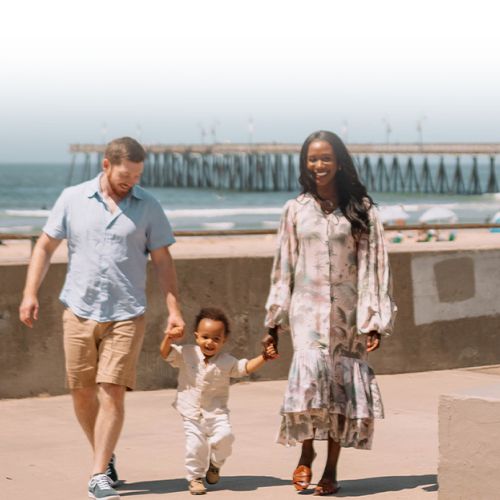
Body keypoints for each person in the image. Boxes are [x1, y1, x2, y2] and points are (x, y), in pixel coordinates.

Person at [19, 137, 185, 500]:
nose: (131, 183)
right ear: (106, 165)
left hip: (127, 313)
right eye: (125, 175)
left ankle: (98, 474)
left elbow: (163, 262)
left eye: (138, 176)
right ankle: (105, 455)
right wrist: (30, 293)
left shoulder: (149, 206)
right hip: (78, 310)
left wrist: (174, 308)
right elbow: (45, 246)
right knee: (81, 393)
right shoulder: (72, 198)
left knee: (112, 391)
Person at [262, 130, 397, 496]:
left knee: (341, 389)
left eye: (325, 158)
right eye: (311, 159)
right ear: (305, 164)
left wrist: (373, 319)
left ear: (339, 162)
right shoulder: (295, 209)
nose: (318, 165)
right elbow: (284, 266)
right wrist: (274, 321)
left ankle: (331, 469)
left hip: (348, 315)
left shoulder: (363, 210)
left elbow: (374, 266)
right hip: (306, 314)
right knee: (310, 386)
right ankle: (306, 454)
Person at [160, 307, 277, 495]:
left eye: (216, 339)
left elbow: (244, 368)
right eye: (205, 337)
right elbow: (165, 353)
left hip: (216, 413)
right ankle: (195, 478)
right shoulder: (186, 353)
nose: (210, 342)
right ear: (196, 336)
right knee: (195, 446)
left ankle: (215, 464)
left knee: (226, 437)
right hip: (191, 412)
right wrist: (169, 338)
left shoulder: (226, 361)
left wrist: (264, 356)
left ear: (224, 340)